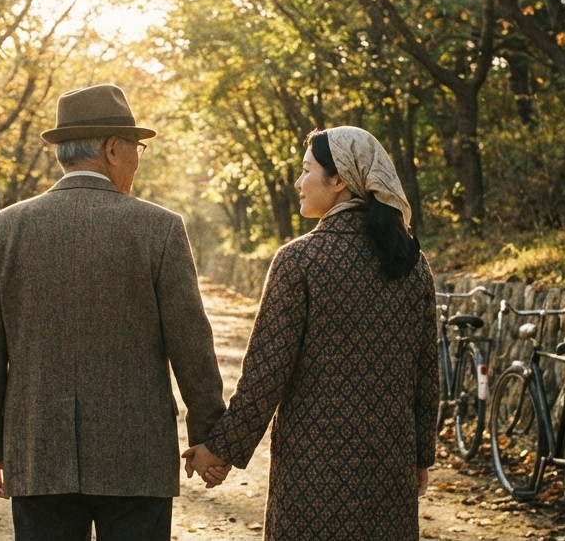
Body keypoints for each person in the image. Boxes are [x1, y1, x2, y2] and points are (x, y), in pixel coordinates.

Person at [0, 84, 226, 541]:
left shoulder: (1, 231)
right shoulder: (158, 229)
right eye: (136, 147)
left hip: (38, 453)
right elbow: (191, 345)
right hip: (137, 457)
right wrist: (207, 435)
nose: (138, 159)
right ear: (111, 148)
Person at [182, 126, 439, 541]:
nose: (299, 183)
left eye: (307, 171)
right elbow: (427, 373)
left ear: (339, 180)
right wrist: (420, 457)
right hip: (389, 462)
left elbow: (267, 374)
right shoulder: (410, 262)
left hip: (314, 468)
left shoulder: (300, 260)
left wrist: (221, 449)